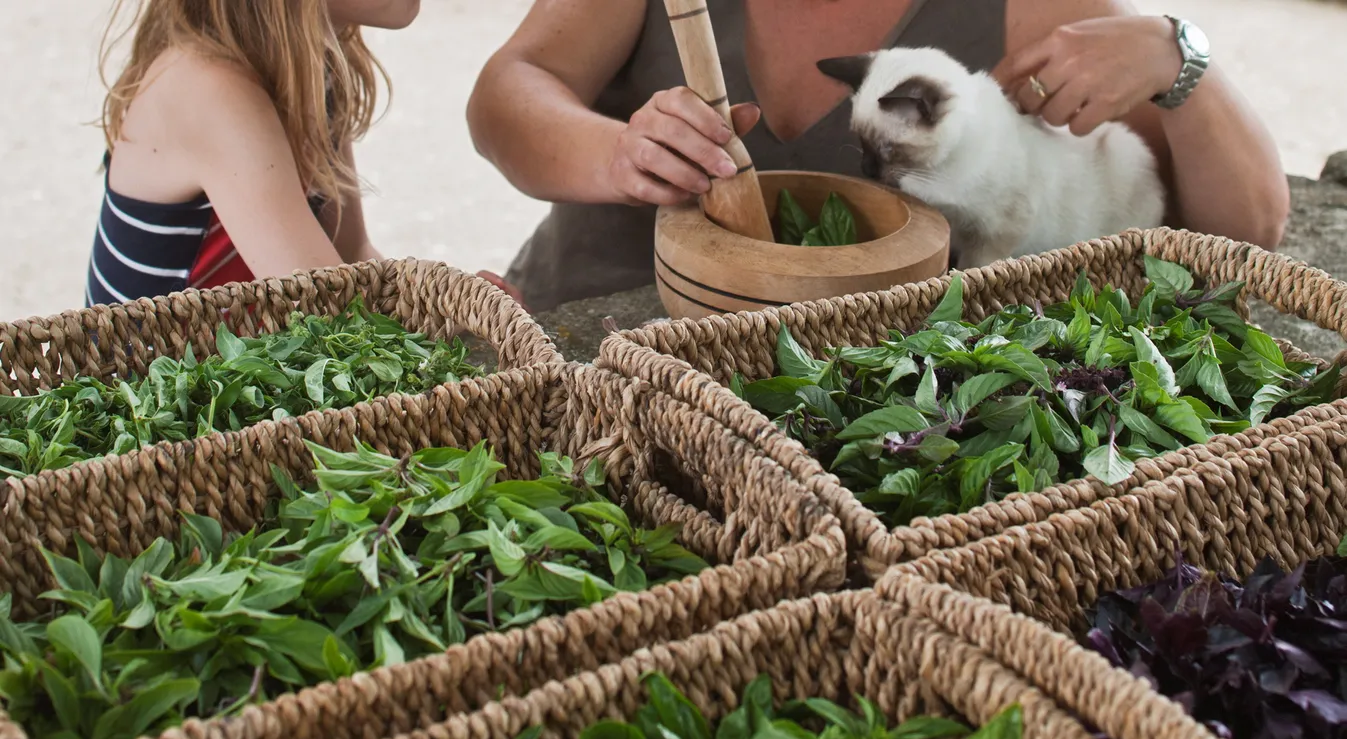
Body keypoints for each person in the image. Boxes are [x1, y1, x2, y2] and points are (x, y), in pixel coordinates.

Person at [467, 0, 1290, 314]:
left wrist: (1179, 57)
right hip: (576, 341)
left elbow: (1247, 231)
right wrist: (615, 154)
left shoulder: (1028, 6)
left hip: (850, 402)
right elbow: (509, 89)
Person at [85, 0, 523, 308]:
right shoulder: (207, 88)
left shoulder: (311, 62)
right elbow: (328, 312)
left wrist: (449, 303)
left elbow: (351, 254)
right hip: (155, 408)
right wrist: (439, 318)